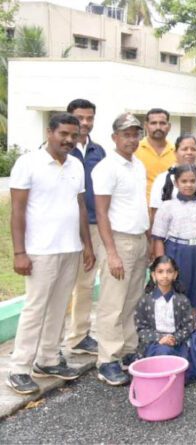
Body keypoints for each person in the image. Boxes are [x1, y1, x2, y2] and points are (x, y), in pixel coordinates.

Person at [7, 113, 93, 394]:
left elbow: (80, 207)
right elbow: (17, 211)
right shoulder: (28, 163)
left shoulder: (76, 165)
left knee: (59, 307)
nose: (69, 140)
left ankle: (47, 359)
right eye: (63, 134)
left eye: (73, 135)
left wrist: (87, 246)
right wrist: (20, 252)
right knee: (35, 309)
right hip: (40, 251)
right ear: (49, 132)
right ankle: (19, 368)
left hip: (70, 248)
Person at [92, 113, 150, 386]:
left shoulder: (137, 165)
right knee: (112, 304)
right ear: (115, 137)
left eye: (136, 134)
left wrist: (147, 241)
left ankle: (127, 351)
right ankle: (107, 359)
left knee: (132, 300)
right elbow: (102, 213)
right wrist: (112, 252)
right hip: (119, 241)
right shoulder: (106, 168)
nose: (132, 139)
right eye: (126, 134)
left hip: (138, 240)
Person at [66, 98, 106, 356]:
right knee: (70, 284)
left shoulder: (98, 151)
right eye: (80, 118)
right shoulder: (62, 149)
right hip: (68, 227)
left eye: (90, 118)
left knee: (91, 282)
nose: (85, 123)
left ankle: (83, 335)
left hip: (96, 224)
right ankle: (64, 340)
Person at [151, 164, 196, 310]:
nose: (189, 185)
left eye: (192, 181)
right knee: (177, 289)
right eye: (184, 181)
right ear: (176, 183)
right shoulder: (167, 207)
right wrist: (161, 265)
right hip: (176, 252)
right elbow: (158, 239)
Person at [134, 256, 195, 360]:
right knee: (164, 352)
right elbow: (141, 328)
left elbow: (188, 326)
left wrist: (175, 339)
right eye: (160, 272)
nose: (165, 275)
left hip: (176, 342)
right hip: (154, 343)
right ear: (153, 275)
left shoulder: (182, 300)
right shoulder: (145, 300)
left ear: (175, 274)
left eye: (169, 271)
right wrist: (159, 338)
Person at [149, 134, 196, 221]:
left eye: (193, 149)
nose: (189, 152)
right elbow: (155, 214)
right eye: (184, 149)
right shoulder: (162, 179)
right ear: (175, 152)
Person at [135, 108, 176, 200]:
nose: (158, 127)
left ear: (169, 126)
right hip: (143, 209)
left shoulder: (176, 152)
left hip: (169, 209)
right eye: (153, 123)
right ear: (146, 126)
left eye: (162, 123)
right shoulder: (135, 150)